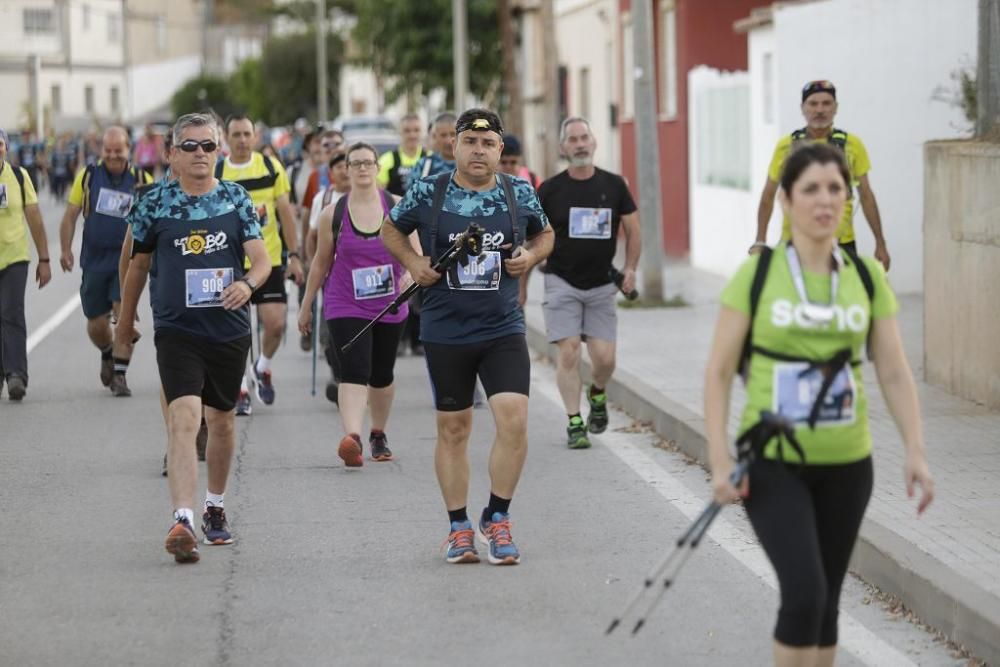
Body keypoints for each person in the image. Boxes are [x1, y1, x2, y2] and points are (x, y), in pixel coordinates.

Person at [705, 143, 933, 665]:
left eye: (837, 189)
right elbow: (718, 373)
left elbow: (894, 370)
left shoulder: (866, 277)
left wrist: (916, 450)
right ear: (785, 199)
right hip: (773, 463)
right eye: (811, 189)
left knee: (827, 602)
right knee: (803, 593)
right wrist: (720, 459)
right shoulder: (758, 276)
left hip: (848, 464)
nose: (826, 200)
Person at [382, 108, 554, 565]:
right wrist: (413, 264)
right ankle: (458, 528)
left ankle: (497, 518)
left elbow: (547, 235)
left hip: (502, 326)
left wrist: (530, 256)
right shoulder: (430, 190)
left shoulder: (518, 191)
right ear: (454, 147)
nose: (479, 151)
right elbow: (391, 229)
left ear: (500, 150)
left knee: (514, 419)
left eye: (489, 144)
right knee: (454, 429)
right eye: (470, 143)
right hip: (445, 328)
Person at [116, 113, 271, 563]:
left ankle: (214, 507)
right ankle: (182, 517)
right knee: (184, 418)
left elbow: (259, 261)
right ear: (171, 154)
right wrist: (124, 325)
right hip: (176, 329)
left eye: (208, 145)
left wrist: (248, 284)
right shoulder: (153, 202)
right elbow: (138, 267)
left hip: (227, 328)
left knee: (221, 421)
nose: (200, 153)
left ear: (219, 151)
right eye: (190, 146)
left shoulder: (235, 199)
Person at [298, 142, 415, 464]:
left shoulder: (399, 206)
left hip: (390, 303)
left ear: (378, 168)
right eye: (356, 163)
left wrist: (410, 275)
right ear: (346, 170)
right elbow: (321, 263)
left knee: (381, 373)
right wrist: (307, 304)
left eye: (368, 163)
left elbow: (417, 254)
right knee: (353, 369)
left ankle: (378, 432)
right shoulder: (332, 214)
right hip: (344, 302)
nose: (363, 168)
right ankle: (353, 438)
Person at [534, 116, 640, 449]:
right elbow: (534, 234)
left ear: (593, 143)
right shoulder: (550, 190)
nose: (580, 144)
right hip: (561, 281)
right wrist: (524, 280)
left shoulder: (613, 185)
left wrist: (631, 268)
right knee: (568, 353)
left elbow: (634, 230)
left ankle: (597, 393)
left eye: (584, 137)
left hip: (600, 285)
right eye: (573, 139)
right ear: (563, 147)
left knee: (605, 359)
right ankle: (574, 421)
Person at [216, 113, 304, 415]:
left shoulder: (270, 167)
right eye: (236, 134)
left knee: (276, 323)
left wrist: (294, 255)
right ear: (226, 138)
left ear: (255, 137)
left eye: (246, 134)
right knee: (235, 332)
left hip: (268, 260)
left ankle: (263, 366)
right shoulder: (218, 171)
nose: (241, 140)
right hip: (230, 264)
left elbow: (286, 214)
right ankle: (239, 387)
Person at [753, 80, 890, 271]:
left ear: (836, 108)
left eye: (826, 103)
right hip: (794, 242)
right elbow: (768, 195)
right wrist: (760, 241)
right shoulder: (786, 146)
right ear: (802, 108)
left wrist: (880, 243)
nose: (820, 110)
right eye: (813, 104)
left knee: (845, 298)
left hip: (841, 243)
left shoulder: (853, 145)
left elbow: (866, 195)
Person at [58, 126, 153, 396]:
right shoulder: (88, 176)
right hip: (95, 261)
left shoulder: (141, 179)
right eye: (108, 151)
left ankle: (120, 374)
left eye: (118, 150)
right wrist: (65, 249)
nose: (113, 156)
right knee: (97, 323)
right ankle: (107, 351)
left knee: (123, 314)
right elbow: (70, 215)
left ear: (128, 150)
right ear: (102, 151)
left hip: (129, 262)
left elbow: (154, 221)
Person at [0, 128, 52, 401]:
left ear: (6, 148)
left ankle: (16, 375)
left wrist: (44, 259)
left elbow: (34, 218)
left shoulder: (19, 177)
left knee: (11, 314)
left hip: (14, 257)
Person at [376, 113, 427, 196]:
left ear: (422, 132)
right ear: (399, 132)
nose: (412, 135)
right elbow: (379, 195)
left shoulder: (431, 158)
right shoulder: (387, 160)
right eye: (407, 131)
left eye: (416, 130)